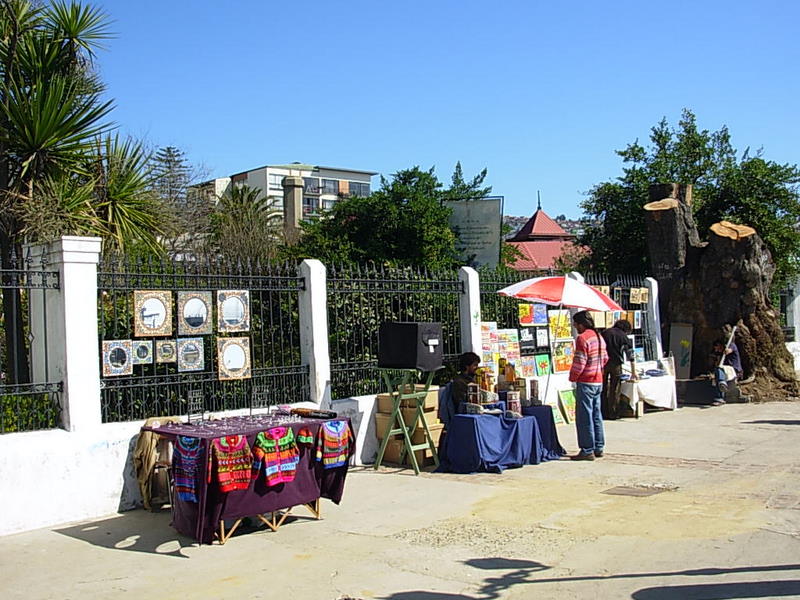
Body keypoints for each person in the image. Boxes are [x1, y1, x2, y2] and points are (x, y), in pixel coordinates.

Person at [568, 310, 608, 461]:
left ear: (580, 324)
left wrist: (573, 377)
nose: (574, 326)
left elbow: (580, 362)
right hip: (598, 380)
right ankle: (599, 446)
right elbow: (605, 358)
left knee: (584, 416)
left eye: (575, 324)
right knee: (596, 415)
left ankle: (587, 449)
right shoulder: (599, 337)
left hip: (586, 381)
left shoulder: (582, 338)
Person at [601, 319, 636, 420]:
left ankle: (603, 412)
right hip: (616, 364)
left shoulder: (604, 333)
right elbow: (631, 355)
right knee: (615, 388)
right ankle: (613, 413)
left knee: (603, 388)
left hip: (603, 364)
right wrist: (633, 372)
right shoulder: (623, 336)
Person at [709, 338, 743, 406]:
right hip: (724, 371)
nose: (717, 350)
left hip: (734, 370)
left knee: (720, 374)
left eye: (717, 348)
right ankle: (720, 397)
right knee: (717, 377)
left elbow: (729, 351)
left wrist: (726, 351)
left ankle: (722, 384)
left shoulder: (731, 345)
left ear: (720, 345)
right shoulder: (720, 355)